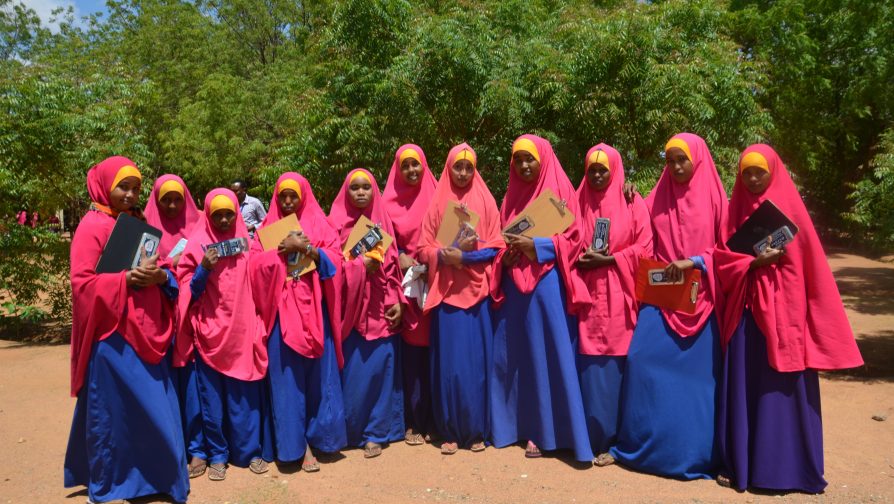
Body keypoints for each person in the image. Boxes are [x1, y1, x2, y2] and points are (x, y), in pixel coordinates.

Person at [715, 144, 864, 493]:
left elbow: (806, 269)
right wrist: (753, 263)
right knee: (747, 386)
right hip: (746, 315)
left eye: (759, 172)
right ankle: (743, 465)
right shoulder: (733, 209)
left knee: (781, 391)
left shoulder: (791, 208)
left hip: (783, 318)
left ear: (773, 172)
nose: (752, 179)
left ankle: (785, 470)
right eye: (746, 173)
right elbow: (722, 257)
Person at [64, 156, 188, 503]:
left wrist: (162, 276)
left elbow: (162, 264)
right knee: (115, 414)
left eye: (135, 188)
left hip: (148, 330)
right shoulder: (92, 226)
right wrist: (125, 279)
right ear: (105, 185)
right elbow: (81, 283)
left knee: (152, 410)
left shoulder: (137, 222)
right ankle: (114, 482)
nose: (131, 194)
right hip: (114, 336)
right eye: (123, 187)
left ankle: (158, 479)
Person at [606, 132, 726, 479]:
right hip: (661, 295)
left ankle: (693, 456)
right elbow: (639, 229)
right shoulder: (656, 196)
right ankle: (640, 450)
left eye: (681, 160)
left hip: (701, 300)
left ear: (697, 160)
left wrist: (696, 261)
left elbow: (729, 248)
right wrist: (627, 194)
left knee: (697, 380)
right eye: (670, 160)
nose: (675, 167)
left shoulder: (717, 199)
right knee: (640, 360)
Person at [489, 134, 593, 462]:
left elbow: (576, 240)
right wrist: (502, 259)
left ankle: (549, 432)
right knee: (516, 359)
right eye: (517, 160)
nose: (523, 166)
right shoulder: (510, 198)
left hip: (547, 283)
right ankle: (515, 427)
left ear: (543, 159)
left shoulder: (561, 192)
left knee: (547, 356)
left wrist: (540, 247)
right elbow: (500, 241)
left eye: (529, 159)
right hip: (515, 288)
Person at [250, 172, 347, 472]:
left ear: (304, 195)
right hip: (281, 314)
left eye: (294, 196)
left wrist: (310, 250)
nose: (289, 201)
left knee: (320, 379)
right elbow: (254, 268)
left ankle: (322, 439)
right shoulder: (267, 230)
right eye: (283, 197)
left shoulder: (320, 224)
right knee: (287, 381)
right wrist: (281, 251)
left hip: (315, 312)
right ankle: (294, 446)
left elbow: (337, 261)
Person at [174, 188, 271, 481]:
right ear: (209, 215)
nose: (226, 219)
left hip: (242, 331)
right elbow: (188, 290)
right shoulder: (197, 245)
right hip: (210, 333)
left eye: (230, 213)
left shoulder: (249, 245)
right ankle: (218, 455)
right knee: (212, 403)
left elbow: (263, 275)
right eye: (219, 214)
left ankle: (249, 452)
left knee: (244, 397)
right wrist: (204, 269)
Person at [568, 144, 653, 462]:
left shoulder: (633, 202)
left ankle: (617, 442)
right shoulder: (577, 202)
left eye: (603, 169)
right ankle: (586, 437)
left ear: (615, 170)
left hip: (621, 297)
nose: (598, 175)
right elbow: (566, 242)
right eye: (592, 169)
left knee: (618, 366)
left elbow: (645, 248)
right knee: (588, 367)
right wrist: (582, 258)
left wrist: (611, 259)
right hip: (586, 299)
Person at [417, 143, 505, 454]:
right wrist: (442, 255)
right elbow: (422, 247)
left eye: (468, 167)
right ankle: (449, 431)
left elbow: (497, 246)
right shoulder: (438, 202)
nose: (464, 173)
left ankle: (476, 431)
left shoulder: (486, 199)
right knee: (450, 367)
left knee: (476, 367)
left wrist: (466, 258)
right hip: (447, 296)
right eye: (458, 167)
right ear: (449, 168)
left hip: (476, 294)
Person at [328, 168, 407, 458]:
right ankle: (350, 431)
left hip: (380, 307)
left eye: (366, 188)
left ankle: (377, 431)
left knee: (381, 372)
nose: (361, 193)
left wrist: (397, 299)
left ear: (375, 191)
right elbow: (330, 269)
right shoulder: (332, 225)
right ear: (345, 192)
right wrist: (359, 266)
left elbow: (394, 268)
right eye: (354, 188)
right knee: (353, 374)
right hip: (350, 312)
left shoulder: (382, 222)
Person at [144, 174, 205, 477]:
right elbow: (136, 270)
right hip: (155, 320)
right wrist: (170, 264)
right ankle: (171, 447)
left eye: (177, 198)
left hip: (193, 317)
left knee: (192, 384)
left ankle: (197, 449)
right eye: (165, 199)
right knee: (164, 384)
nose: (170, 204)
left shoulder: (199, 226)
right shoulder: (146, 229)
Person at [382, 144, 439, 446]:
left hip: (438, 281)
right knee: (413, 355)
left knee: (438, 353)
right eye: (405, 166)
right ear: (397, 170)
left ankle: (436, 420)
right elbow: (379, 241)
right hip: (406, 286)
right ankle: (415, 420)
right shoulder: (386, 202)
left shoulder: (439, 194)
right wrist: (400, 255)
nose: (412, 171)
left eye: (416, 164)